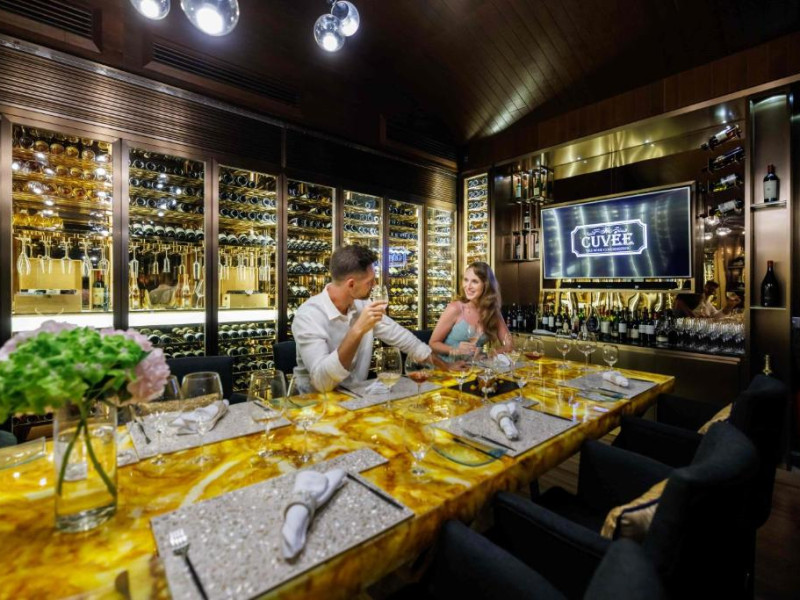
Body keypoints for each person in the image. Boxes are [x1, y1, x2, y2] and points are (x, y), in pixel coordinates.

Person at [292, 245, 447, 392]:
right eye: (370, 281)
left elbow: (406, 341)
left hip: (357, 395)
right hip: (315, 403)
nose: (374, 285)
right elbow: (323, 383)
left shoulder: (362, 304)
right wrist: (357, 330)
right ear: (351, 284)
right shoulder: (308, 316)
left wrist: (446, 367)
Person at [429, 261, 512, 359]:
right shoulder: (455, 308)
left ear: (486, 285)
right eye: (466, 280)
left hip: (474, 366)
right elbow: (433, 344)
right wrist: (455, 350)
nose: (468, 286)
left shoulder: (492, 311)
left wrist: (487, 355)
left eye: (474, 281)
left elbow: (509, 346)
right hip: (447, 365)